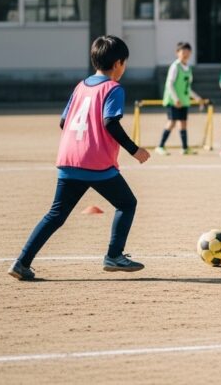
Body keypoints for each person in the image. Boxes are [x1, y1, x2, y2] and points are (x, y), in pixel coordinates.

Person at [8, 36, 150, 281]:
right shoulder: (113, 88)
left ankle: (21, 262)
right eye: (124, 63)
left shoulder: (81, 86)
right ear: (118, 63)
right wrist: (134, 149)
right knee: (127, 204)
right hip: (96, 162)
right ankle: (114, 256)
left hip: (68, 159)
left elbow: (64, 122)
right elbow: (110, 122)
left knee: (55, 215)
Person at [157, 42, 205, 155]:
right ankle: (160, 146)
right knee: (172, 122)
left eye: (187, 52)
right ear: (177, 53)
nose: (185, 54)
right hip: (174, 101)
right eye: (183, 51)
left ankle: (184, 148)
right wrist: (175, 99)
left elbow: (187, 88)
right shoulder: (175, 66)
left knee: (183, 123)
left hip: (183, 101)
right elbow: (169, 84)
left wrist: (197, 98)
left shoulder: (188, 68)